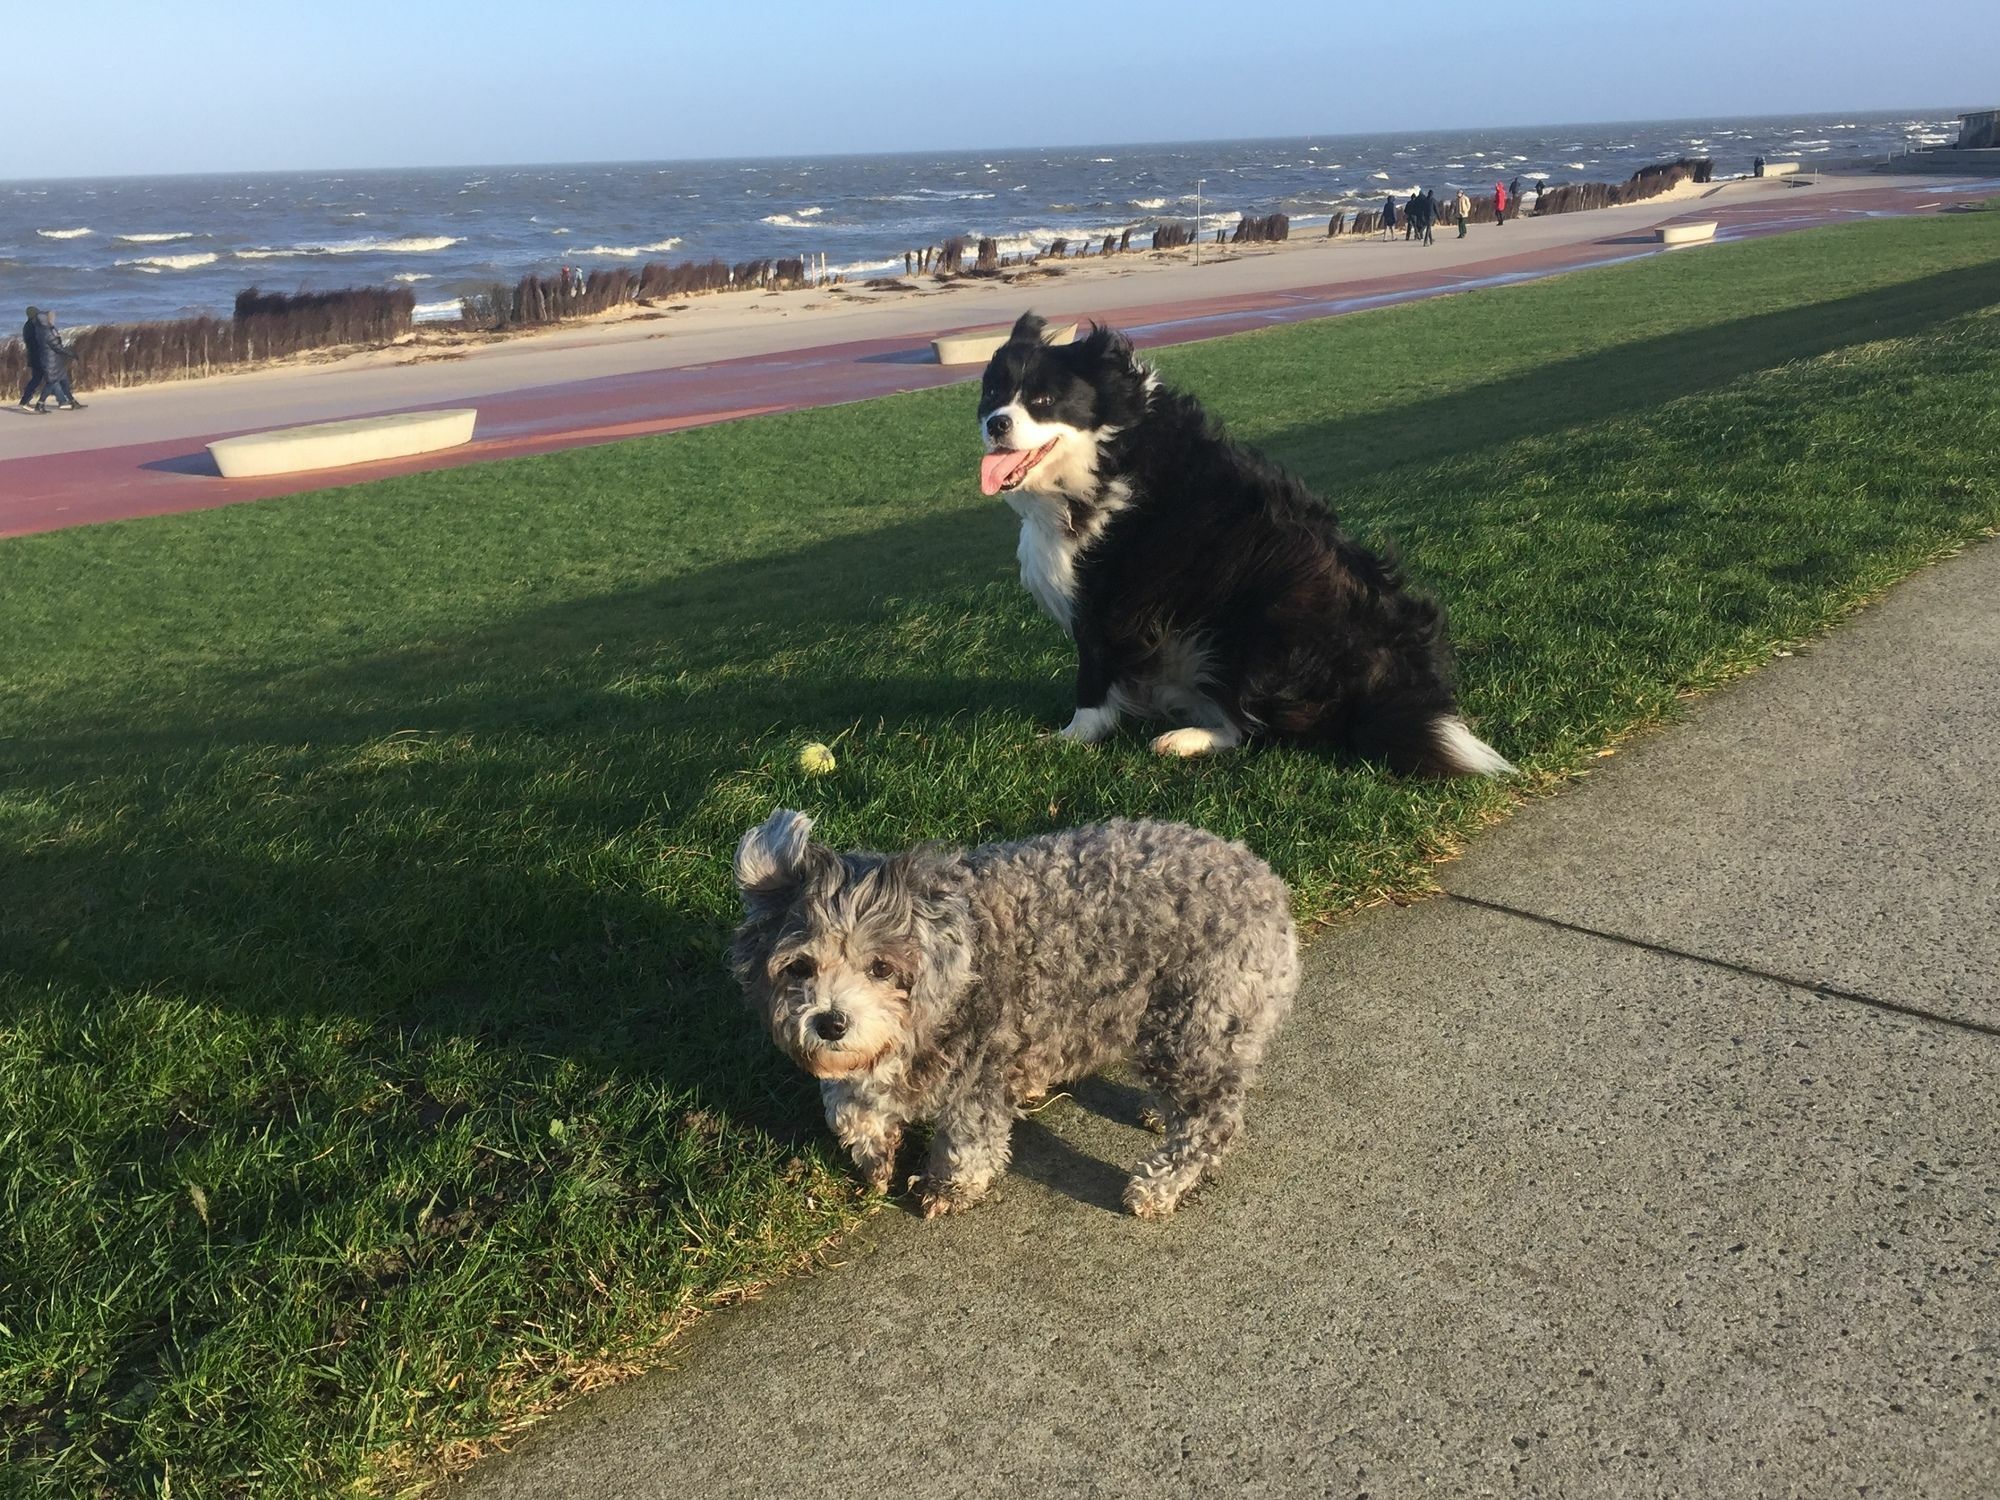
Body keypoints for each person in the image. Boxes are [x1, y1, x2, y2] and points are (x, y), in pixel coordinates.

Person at [32, 310, 84, 411]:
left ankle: (72, 401)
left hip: (56, 361)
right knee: (51, 383)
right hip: (50, 362)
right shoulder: (46, 332)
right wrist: (71, 354)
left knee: (64, 381)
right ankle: (40, 404)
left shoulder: (44, 329)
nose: (54, 319)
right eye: (51, 318)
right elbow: (57, 347)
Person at [18, 305, 47, 409]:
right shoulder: (32, 326)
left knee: (38, 378)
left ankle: (26, 399)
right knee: (41, 378)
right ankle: (26, 400)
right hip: (37, 356)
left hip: (34, 356)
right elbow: (37, 342)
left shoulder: (28, 325)